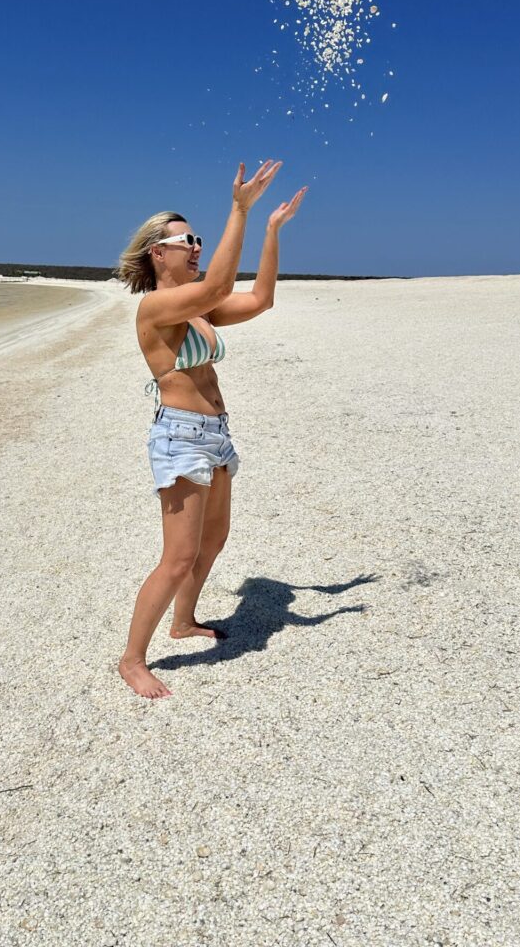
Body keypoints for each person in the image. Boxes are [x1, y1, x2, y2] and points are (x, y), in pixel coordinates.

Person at [114, 161, 307, 699]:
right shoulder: (158, 307)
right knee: (177, 557)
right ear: (159, 252)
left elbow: (259, 299)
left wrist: (269, 230)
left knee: (214, 540)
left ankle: (183, 622)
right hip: (180, 436)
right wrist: (239, 210)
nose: (196, 247)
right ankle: (132, 660)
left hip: (216, 434)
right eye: (188, 240)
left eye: (199, 239)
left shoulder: (201, 310)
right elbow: (222, 281)